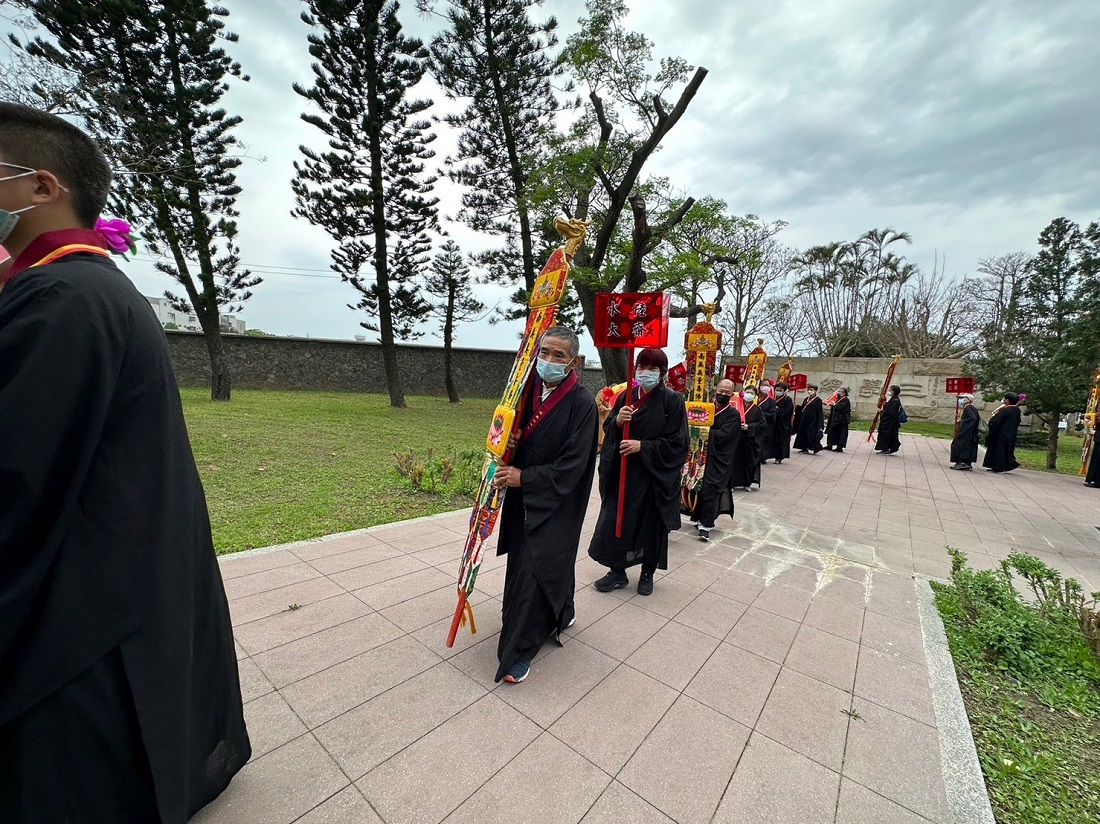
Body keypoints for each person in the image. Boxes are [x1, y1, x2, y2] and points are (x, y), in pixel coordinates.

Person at [0, 103, 250, 822]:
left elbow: (18, 478)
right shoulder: (92, 288)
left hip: (86, 604)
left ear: (42, 186)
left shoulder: (65, 297)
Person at [493, 327, 598, 684]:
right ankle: (562, 610)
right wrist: (510, 442)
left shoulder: (582, 404)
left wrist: (526, 478)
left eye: (558, 355)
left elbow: (574, 465)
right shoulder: (527, 390)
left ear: (574, 362)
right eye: (545, 353)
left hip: (556, 499)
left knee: (536, 570)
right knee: (525, 564)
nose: (549, 361)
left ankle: (519, 651)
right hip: (521, 495)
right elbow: (505, 430)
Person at [590, 348, 689, 596]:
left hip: (652, 476)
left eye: (652, 368)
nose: (645, 372)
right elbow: (608, 427)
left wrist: (643, 446)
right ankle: (617, 571)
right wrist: (618, 421)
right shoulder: (626, 396)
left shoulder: (672, 401)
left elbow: (678, 443)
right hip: (623, 472)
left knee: (649, 525)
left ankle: (647, 572)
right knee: (616, 520)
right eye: (641, 367)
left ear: (662, 372)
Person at [693, 379, 741, 542]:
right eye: (721, 391)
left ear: (732, 394)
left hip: (720, 457)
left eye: (727, 392)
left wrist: (704, 431)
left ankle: (706, 525)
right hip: (701, 454)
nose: (723, 394)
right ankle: (700, 518)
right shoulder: (706, 407)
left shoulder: (733, 414)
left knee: (712, 488)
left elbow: (724, 436)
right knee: (699, 487)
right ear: (715, 389)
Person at [729, 385, 767, 489]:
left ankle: (747, 483)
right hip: (736, 438)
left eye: (752, 393)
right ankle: (732, 483)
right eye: (747, 392)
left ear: (755, 396)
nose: (749, 394)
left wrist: (749, 426)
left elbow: (762, 424)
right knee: (734, 461)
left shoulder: (757, 409)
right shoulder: (735, 405)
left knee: (748, 462)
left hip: (749, 439)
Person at [983, 392, 1022, 473]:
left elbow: (995, 421)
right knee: (1005, 450)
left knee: (999, 450)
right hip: (1011, 434)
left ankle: (998, 467)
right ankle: (999, 466)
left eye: (1004, 398)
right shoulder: (1017, 410)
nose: (1003, 400)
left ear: (1007, 400)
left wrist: (993, 418)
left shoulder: (1005, 410)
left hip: (1001, 434)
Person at [950, 394, 982, 470]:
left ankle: (962, 462)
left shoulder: (969, 408)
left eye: (962, 398)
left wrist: (961, 422)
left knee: (961, 445)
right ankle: (966, 463)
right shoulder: (969, 408)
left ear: (968, 399)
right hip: (969, 432)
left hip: (967, 432)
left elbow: (972, 418)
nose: (960, 400)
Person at [792, 384, 825, 454]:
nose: (809, 391)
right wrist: (797, 407)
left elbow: (819, 412)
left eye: (811, 390)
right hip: (804, 419)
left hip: (813, 420)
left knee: (810, 434)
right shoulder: (806, 399)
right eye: (809, 389)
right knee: (803, 433)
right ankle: (804, 448)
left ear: (815, 391)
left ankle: (816, 447)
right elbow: (802, 408)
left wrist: (819, 424)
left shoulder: (818, 400)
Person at [767, 381, 794, 464]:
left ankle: (779, 457)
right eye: (777, 390)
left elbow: (787, 412)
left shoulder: (788, 399)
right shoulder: (774, 398)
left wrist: (778, 409)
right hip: (774, 423)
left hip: (783, 424)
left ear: (784, 391)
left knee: (781, 441)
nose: (778, 392)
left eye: (780, 390)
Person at [875, 385, 903, 454]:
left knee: (887, 435)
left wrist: (881, 412)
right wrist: (884, 402)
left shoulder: (895, 401)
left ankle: (886, 449)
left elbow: (890, 412)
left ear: (894, 392)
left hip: (890, 422)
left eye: (891, 390)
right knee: (889, 435)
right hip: (890, 422)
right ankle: (889, 448)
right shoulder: (893, 399)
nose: (889, 391)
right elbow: (887, 407)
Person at [825, 387, 852, 452]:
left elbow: (841, 408)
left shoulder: (845, 400)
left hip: (842, 419)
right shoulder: (838, 399)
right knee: (832, 431)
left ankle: (839, 447)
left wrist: (834, 405)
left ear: (843, 393)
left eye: (839, 392)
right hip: (835, 418)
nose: (838, 393)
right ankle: (830, 445)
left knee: (840, 433)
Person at [756, 382, 777, 461]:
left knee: (763, 441)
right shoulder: (754, 398)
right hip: (753, 425)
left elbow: (772, 414)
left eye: (768, 385)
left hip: (765, 425)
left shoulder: (771, 401)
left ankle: (762, 457)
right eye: (764, 385)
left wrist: (760, 413)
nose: (766, 387)